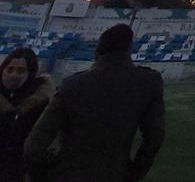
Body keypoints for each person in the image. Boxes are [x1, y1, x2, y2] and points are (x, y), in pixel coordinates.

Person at [25, 24, 165, 182]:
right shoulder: (147, 81)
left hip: (66, 173)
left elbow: (36, 142)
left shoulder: (72, 84)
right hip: (115, 173)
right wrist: (136, 172)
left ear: (98, 50)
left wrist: (43, 173)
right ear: (129, 48)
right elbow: (155, 135)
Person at [0, 48, 54, 182]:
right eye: (10, 69)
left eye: (20, 71)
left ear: (30, 73)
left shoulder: (41, 103)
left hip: (20, 169)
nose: (13, 74)